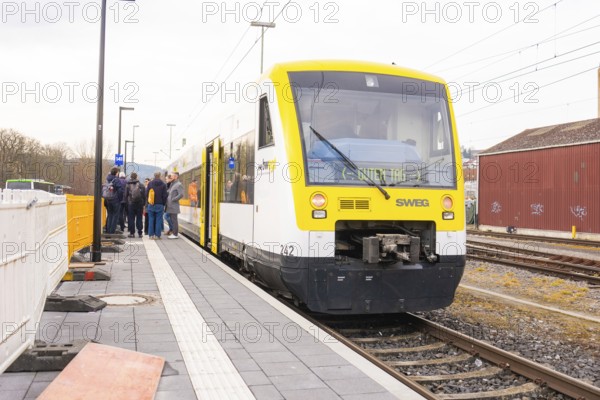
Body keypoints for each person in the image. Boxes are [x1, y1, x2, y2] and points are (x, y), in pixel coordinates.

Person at [146, 171, 168, 239]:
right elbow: (165, 195)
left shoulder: (150, 184)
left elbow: (146, 194)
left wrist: (148, 202)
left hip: (151, 204)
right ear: (160, 176)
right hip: (160, 204)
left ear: (154, 176)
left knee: (151, 219)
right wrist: (163, 203)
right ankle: (158, 235)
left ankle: (151, 235)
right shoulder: (163, 184)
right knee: (158, 220)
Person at [124, 172, 146, 238]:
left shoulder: (127, 185)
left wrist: (126, 203)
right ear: (137, 177)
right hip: (139, 204)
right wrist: (144, 203)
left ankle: (132, 233)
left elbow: (125, 195)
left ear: (131, 177)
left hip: (131, 204)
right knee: (139, 218)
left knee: (131, 218)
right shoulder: (141, 185)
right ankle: (140, 233)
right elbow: (144, 196)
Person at [104, 167, 124, 234]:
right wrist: (120, 199)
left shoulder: (107, 179)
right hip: (115, 200)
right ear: (116, 173)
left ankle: (108, 230)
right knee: (115, 216)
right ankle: (111, 232)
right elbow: (120, 190)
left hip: (108, 199)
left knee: (110, 215)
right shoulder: (116, 180)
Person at [165, 172, 184, 239]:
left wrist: (173, 199)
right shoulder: (172, 184)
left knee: (174, 220)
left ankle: (175, 234)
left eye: (172, 176)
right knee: (173, 220)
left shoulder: (179, 185)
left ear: (176, 177)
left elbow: (181, 194)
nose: (170, 177)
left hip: (174, 205)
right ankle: (174, 233)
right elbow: (169, 192)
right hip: (170, 205)